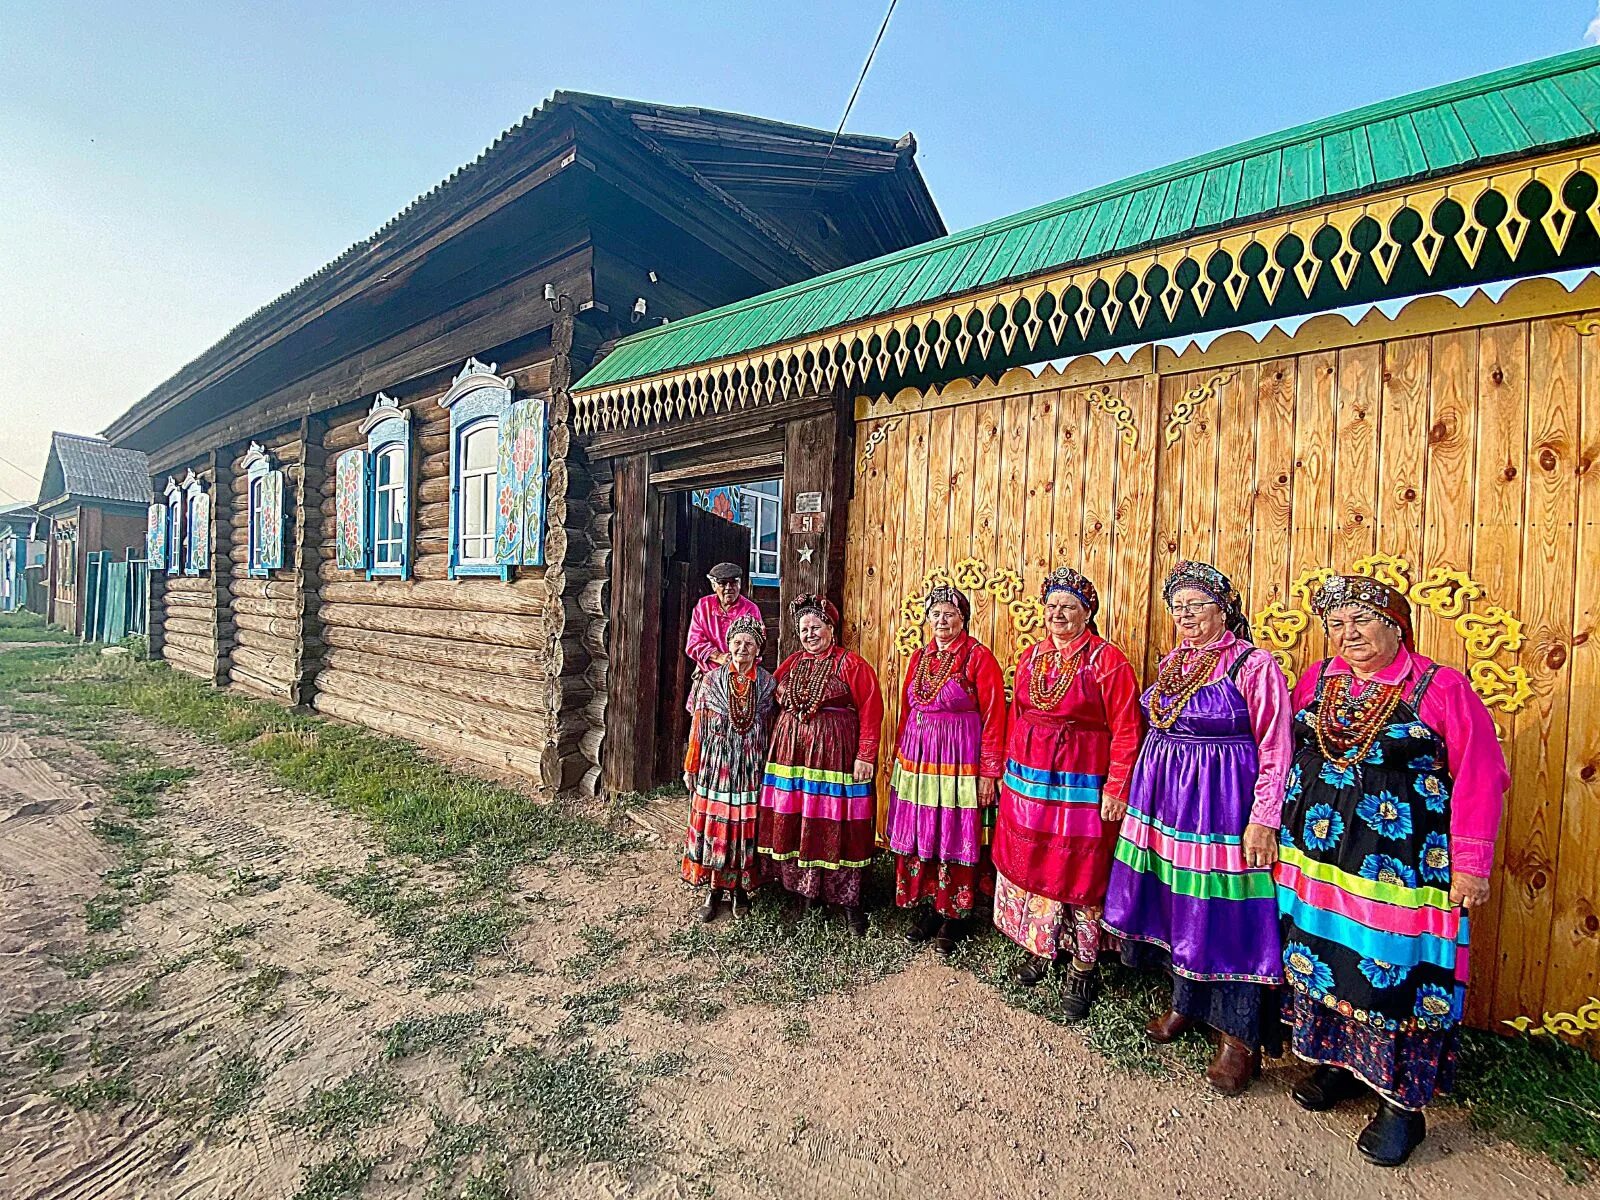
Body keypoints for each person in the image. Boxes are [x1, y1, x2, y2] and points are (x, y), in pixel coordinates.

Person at [1276, 574, 1509, 1167]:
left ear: (1396, 626)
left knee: (1398, 970)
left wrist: (1472, 865)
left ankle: (1402, 1103)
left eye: (1360, 620)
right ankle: (1336, 1062)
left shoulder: (1440, 686)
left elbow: (1482, 774)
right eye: (1335, 624)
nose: (1346, 634)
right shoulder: (1318, 679)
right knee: (1326, 959)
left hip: (1403, 866)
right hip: (1319, 859)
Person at [1103, 560, 1291, 1095]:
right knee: (1176, 901)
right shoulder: (1174, 663)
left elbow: (1276, 746)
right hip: (1167, 802)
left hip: (1221, 806)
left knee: (1225, 908)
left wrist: (1263, 820)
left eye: (1197, 606)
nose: (1185, 616)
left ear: (1224, 609)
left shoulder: (1253, 667)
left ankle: (1239, 1037)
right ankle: (1185, 1000)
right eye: (1178, 607)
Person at [991, 568, 1142, 1020]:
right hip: (1029, 778)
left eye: (1069, 607)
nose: (1058, 614)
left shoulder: (1108, 661)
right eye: (1052, 606)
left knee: (1078, 865)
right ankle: (1042, 945)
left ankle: (1083, 963)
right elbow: (1015, 712)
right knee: (1032, 858)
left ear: (1087, 612)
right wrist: (1004, 770)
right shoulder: (1031, 656)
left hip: (1081, 780)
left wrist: (1117, 786)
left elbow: (1127, 729)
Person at [883, 585, 1006, 955]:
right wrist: (899, 754)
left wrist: (989, 771)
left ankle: (955, 913)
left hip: (958, 761)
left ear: (963, 619)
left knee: (953, 828)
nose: (941, 621)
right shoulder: (919, 657)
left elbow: (994, 716)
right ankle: (927, 905)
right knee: (925, 827)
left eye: (949, 614)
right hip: (919, 761)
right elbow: (908, 710)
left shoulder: (978, 658)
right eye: (935, 614)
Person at [757, 594, 883, 935]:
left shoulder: (852, 665)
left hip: (836, 757)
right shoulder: (792, 663)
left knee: (837, 818)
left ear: (831, 627)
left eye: (816, 627)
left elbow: (872, 711)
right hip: (792, 758)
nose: (809, 634)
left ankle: (847, 899)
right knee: (800, 816)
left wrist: (866, 755)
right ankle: (805, 892)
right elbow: (764, 695)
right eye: (803, 629)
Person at [682, 615, 778, 922]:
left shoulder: (766, 683)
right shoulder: (710, 682)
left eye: (749, 643)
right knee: (718, 827)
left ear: (758, 648)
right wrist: (691, 765)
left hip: (751, 766)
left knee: (742, 829)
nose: (742, 648)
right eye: (737, 642)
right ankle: (714, 892)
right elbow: (697, 726)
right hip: (716, 766)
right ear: (728, 645)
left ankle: (739, 891)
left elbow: (774, 728)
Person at [685, 562, 764, 709]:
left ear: (740, 584)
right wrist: (719, 657)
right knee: (704, 724)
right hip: (708, 677)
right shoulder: (703, 606)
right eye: (722, 583)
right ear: (713, 585)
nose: (729, 588)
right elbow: (693, 644)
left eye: (733, 582)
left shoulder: (751, 609)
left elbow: (758, 646)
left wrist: (737, 661)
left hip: (741, 678)